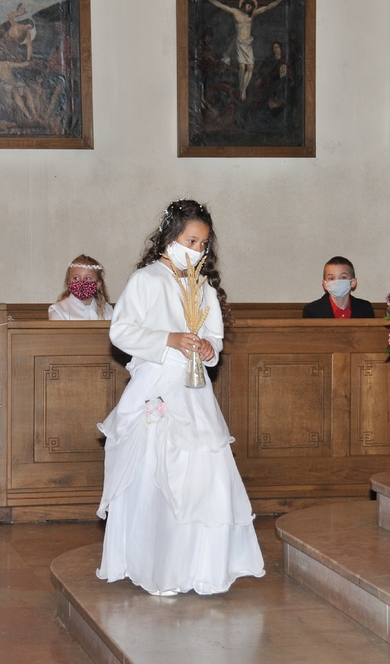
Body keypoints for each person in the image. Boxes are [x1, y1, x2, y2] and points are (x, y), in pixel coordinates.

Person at [96, 199, 265, 596]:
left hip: (194, 392)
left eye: (203, 244)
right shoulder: (147, 280)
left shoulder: (202, 286)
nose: (197, 250)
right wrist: (168, 339)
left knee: (205, 476)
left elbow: (215, 337)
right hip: (157, 385)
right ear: (171, 238)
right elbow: (121, 331)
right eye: (191, 241)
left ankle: (199, 566)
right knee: (156, 475)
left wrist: (208, 348)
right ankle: (154, 563)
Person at [206, 0, 287, 101]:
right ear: (243, 5)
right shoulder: (235, 12)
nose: (248, 8)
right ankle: (242, 90)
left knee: (250, 67)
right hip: (239, 43)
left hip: (248, 44)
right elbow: (221, 6)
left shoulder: (252, 15)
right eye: (247, 6)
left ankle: (244, 89)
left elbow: (268, 7)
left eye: (250, 7)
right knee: (242, 66)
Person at [303, 256, 375, 318]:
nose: (337, 282)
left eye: (343, 278)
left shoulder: (365, 308)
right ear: (325, 284)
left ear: (353, 282)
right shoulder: (312, 311)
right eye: (331, 278)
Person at [48, 255, 113, 321]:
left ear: (98, 284)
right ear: (69, 282)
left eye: (87, 278)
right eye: (76, 278)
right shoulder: (59, 310)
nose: (81, 282)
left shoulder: (107, 310)